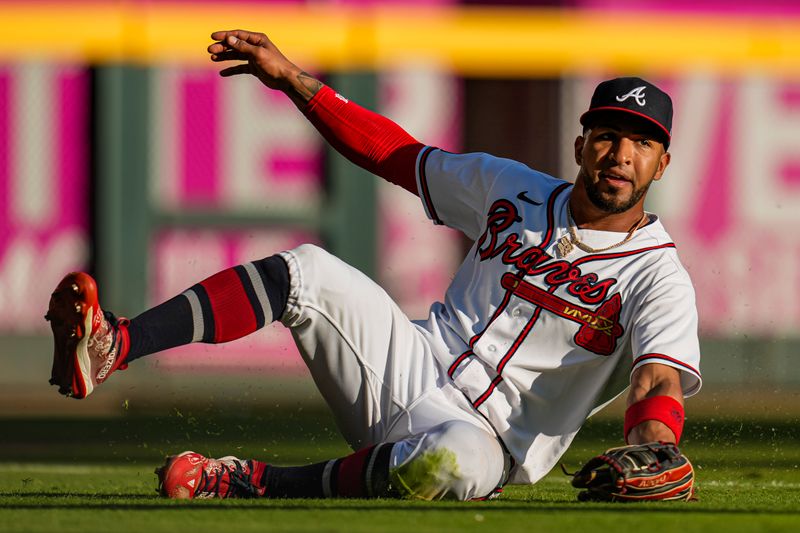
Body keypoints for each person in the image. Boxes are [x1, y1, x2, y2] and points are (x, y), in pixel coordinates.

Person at [46, 29, 701, 501]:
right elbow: (396, 155)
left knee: (451, 462)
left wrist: (657, 443)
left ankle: (250, 479)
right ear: (582, 142)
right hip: (407, 364)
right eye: (610, 133)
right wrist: (295, 81)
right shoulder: (513, 187)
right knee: (307, 270)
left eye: (642, 142)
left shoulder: (658, 275)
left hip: (490, 442)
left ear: (661, 163)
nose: (622, 152)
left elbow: (656, 381)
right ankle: (113, 345)